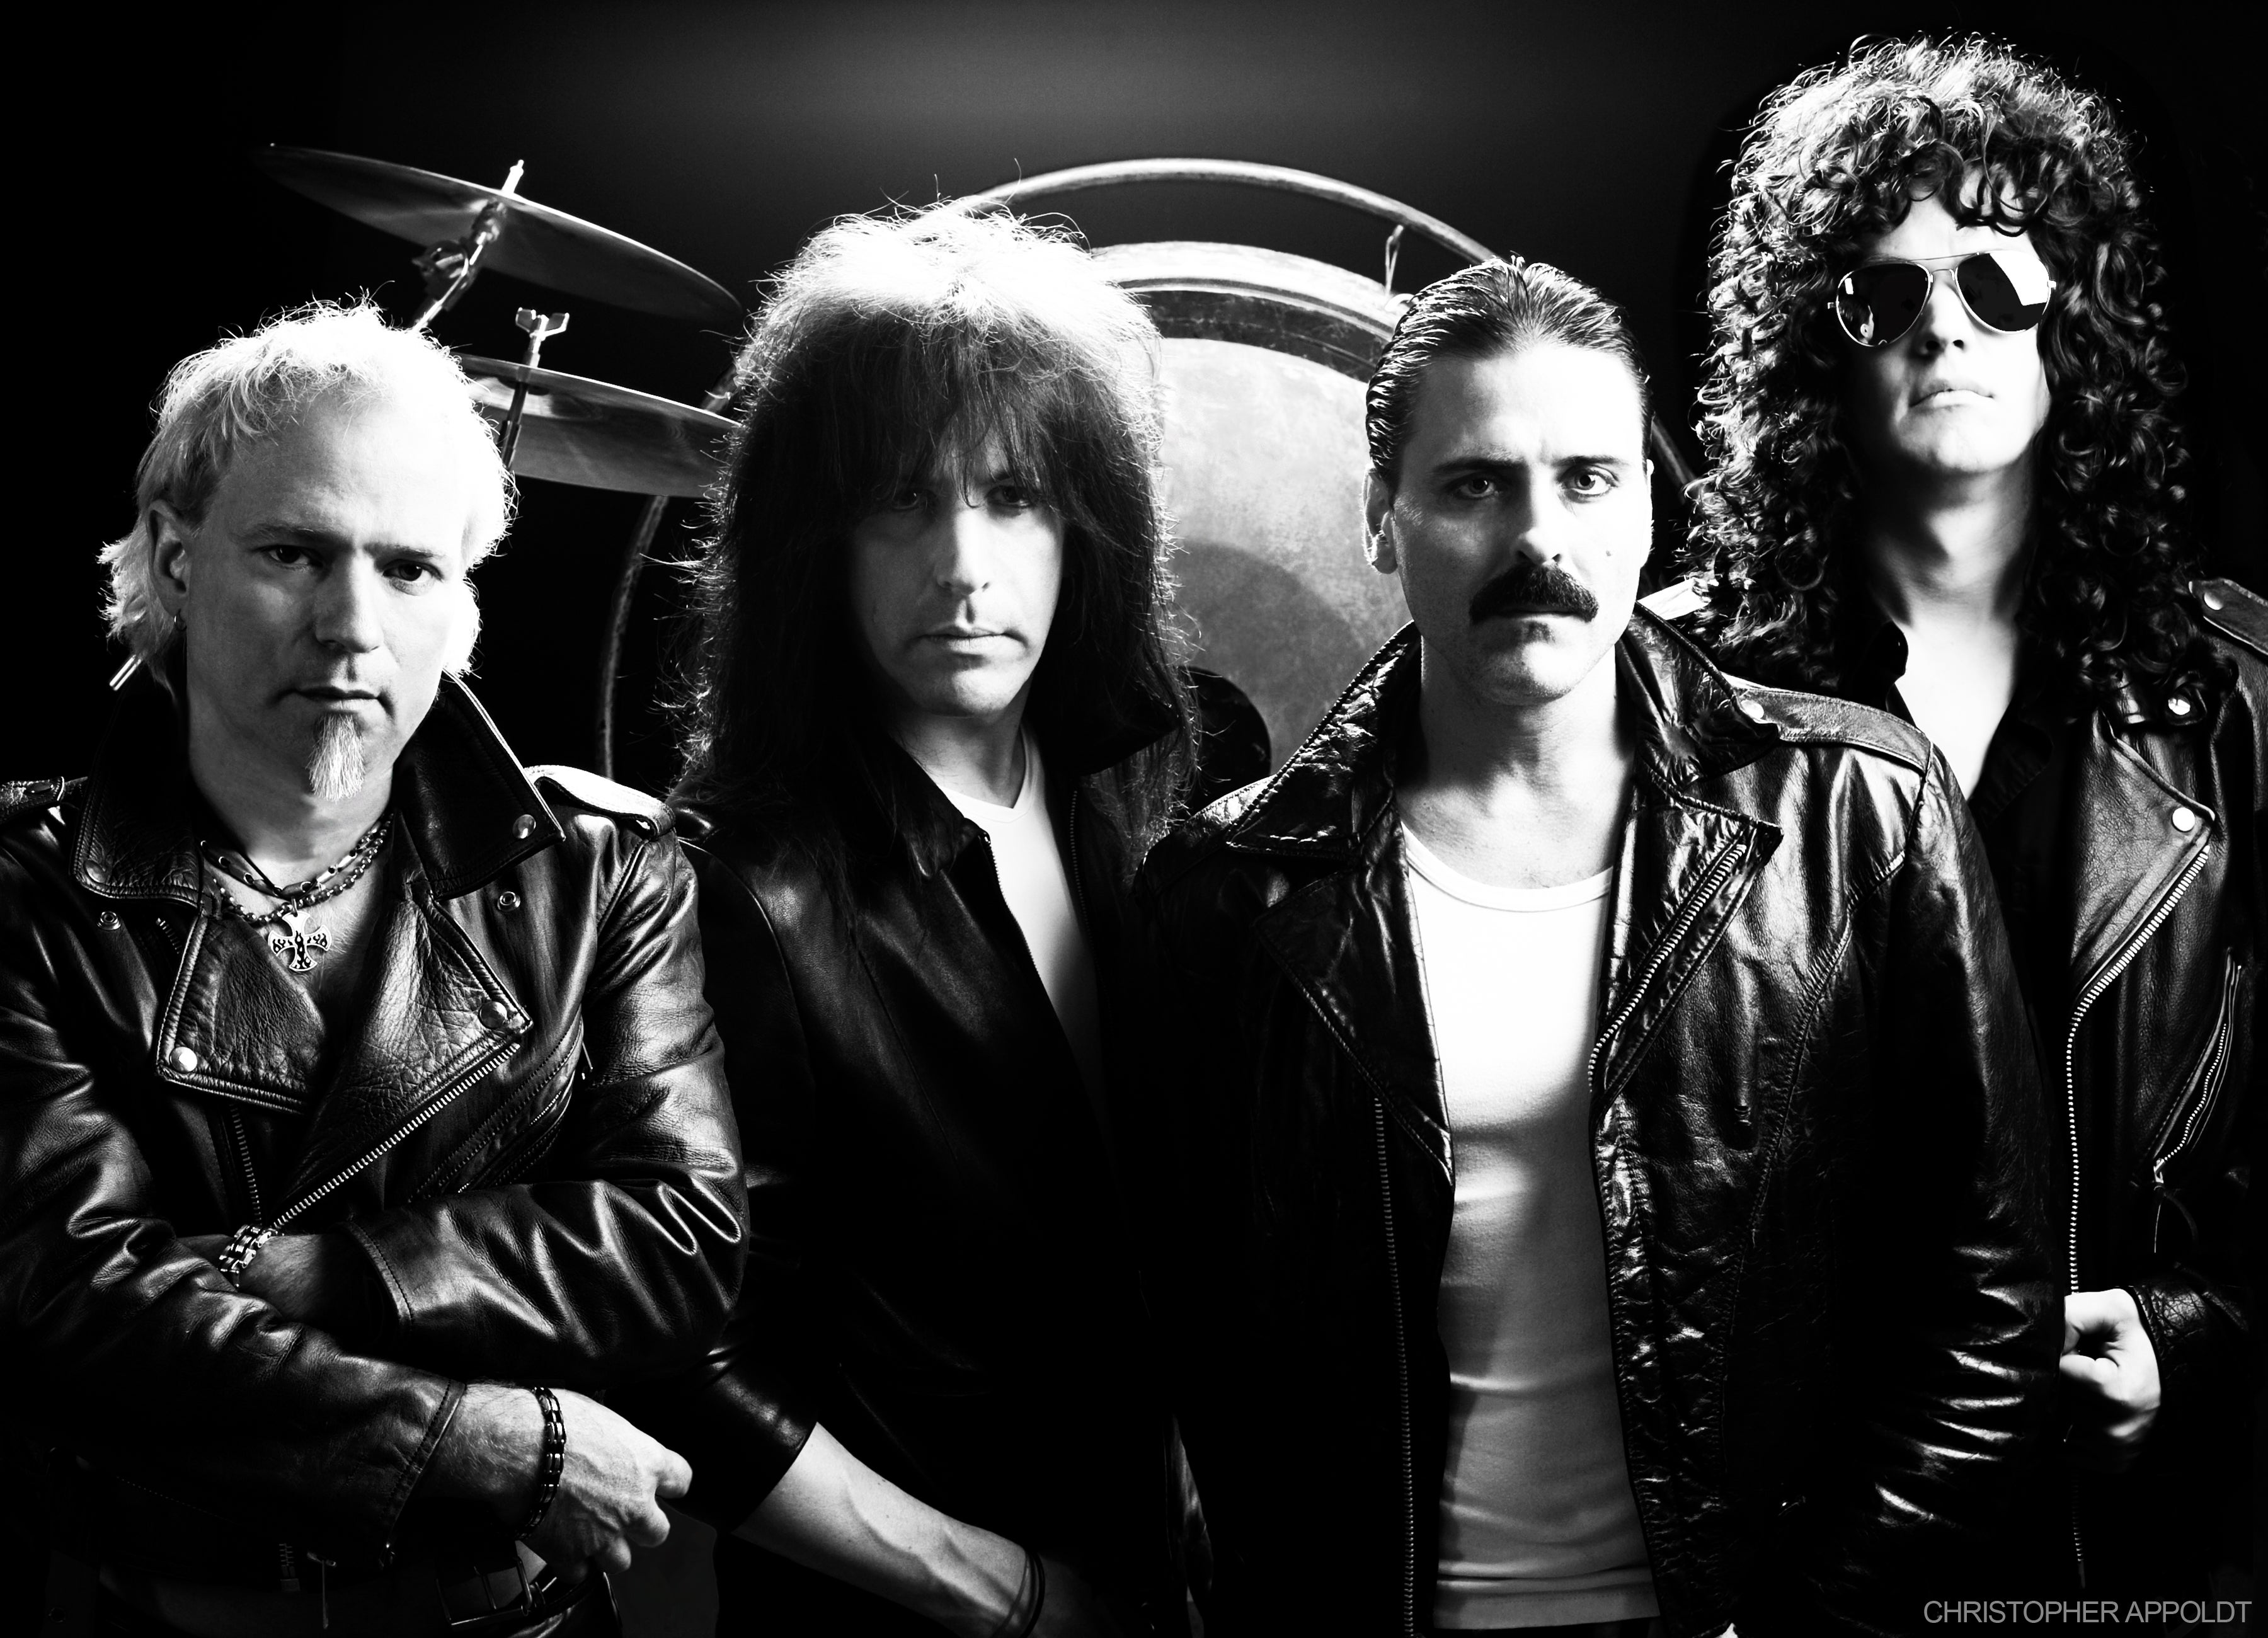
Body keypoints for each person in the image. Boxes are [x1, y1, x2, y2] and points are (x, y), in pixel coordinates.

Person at [1133, 257, 2059, 1637]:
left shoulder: (1864, 812)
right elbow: (1185, 1349)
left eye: (1587, 480)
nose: (1537, 539)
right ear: (1380, 519)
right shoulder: (1222, 896)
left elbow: (1990, 1305)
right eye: (1474, 485)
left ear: (1645, 511)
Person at [0, 302, 746, 1638]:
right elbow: (66, 1305)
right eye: (294, 553)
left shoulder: (599, 873)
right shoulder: (26, 890)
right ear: (175, 559)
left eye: (409, 569)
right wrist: (480, 1439)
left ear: (461, 602)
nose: (352, 625)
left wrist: (317, 1275)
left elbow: (677, 1243)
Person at [1687, 37, 2262, 1613]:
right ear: (1814, 349)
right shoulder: (1675, 699)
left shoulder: (2238, 708)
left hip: (2119, 1555)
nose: (1946, 323)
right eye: (1884, 292)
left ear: (2075, 318)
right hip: (1798, 1547)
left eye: (1999, 279)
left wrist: (2199, 1340)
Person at [635, 205, 1261, 1637]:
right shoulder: (738, 884)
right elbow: (692, 1369)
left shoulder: (1138, 796)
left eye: (1014, 495)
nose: (964, 561)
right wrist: (1012, 1596)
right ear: (818, 541)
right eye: (902, 500)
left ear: (1089, 526)